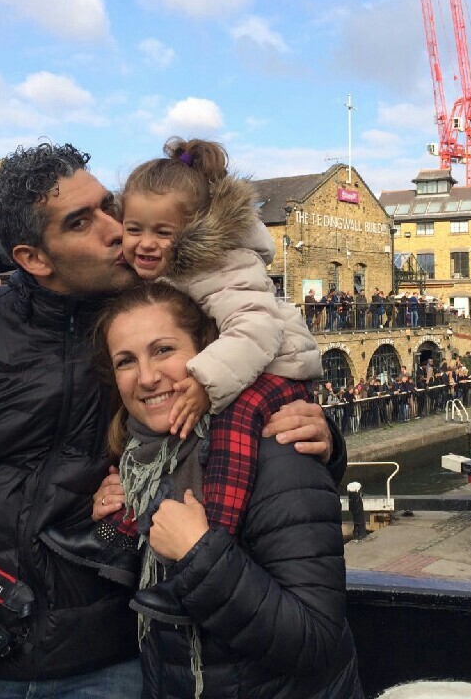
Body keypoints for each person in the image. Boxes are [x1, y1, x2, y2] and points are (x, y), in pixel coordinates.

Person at [0, 142, 345, 698]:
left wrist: (325, 439)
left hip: (113, 654)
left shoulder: (163, 310)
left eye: (109, 207)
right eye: (81, 222)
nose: (116, 230)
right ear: (33, 258)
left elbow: (253, 392)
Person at [44, 136, 324, 619]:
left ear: (193, 231)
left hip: (269, 368)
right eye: (134, 229)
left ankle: (202, 554)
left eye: (162, 232)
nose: (142, 243)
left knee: (231, 437)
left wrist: (204, 382)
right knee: (152, 446)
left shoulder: (220, 264)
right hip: (233, 364)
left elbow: (257, 329)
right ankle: (126, 541)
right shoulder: (157, 273)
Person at [88, 282, 363, 698]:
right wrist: (114, 517)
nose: (147, 377)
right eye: (126, 361)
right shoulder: (140, 460)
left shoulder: (276, 445)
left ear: (208, 351)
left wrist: (199, 552)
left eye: (163, 350)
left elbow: (315, 638)